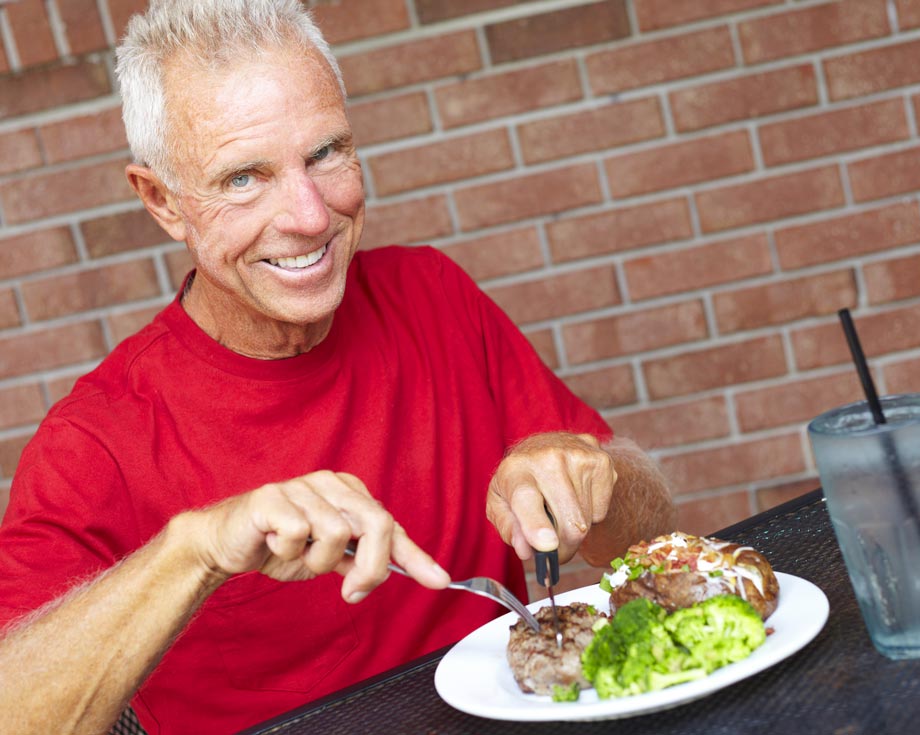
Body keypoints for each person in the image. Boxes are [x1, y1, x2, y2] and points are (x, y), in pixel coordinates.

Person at [0, 1, 676, 733]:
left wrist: (587, 471)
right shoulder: (95, 440)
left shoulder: (432, 294)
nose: (312, 215)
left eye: (325, 153)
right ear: (162, 200)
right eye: (242, 179)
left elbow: (644, 543)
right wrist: (196, 549)